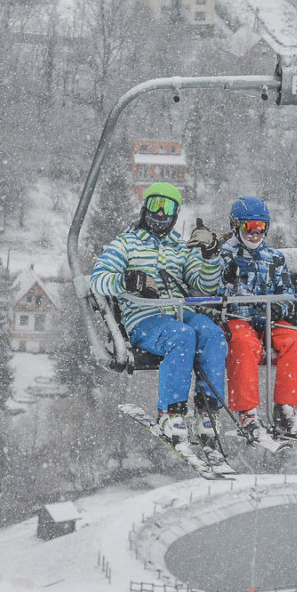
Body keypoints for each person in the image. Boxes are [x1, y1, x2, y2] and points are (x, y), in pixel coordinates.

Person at [90, 182, 226, 444]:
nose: (161, 214)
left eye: (168, 207)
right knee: (181, 336)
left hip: (179, 311)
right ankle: (170, 412)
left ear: (176, 213)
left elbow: (203, 286)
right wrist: (129, 281)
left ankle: (208, 410)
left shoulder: (179, 247)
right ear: (145, 208)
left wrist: (210, 256)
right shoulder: (126, 243)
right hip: (145, 319)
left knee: (213, 333)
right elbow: (99, 279)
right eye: (155, 205)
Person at [218, 197, 297, 444]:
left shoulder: (273, 257)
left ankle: (285, 408)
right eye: (249, 227)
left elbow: (287, 294)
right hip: (237, 320)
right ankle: (247, 412)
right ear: (236, 225)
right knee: (243, 344)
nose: (255, 233)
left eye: (261, 227)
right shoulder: (223, 256)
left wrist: (275, 311)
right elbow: (215, 295)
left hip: (267, 320)